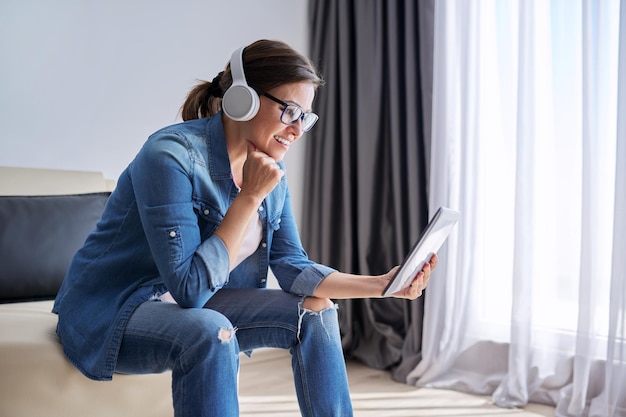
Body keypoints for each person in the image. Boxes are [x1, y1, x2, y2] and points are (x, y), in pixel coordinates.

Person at [52, 39, 437, 417]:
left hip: (198, 307)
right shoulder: (169, 157)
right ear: (243, 99)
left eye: (306, 116)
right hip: (117, 308)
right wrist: (248, 197)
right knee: (210, 329)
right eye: (290, 111)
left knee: (317, 310)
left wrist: (383, 285)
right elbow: (189, 290)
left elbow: (292, 266)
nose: (298, 129)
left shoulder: (272, 171)